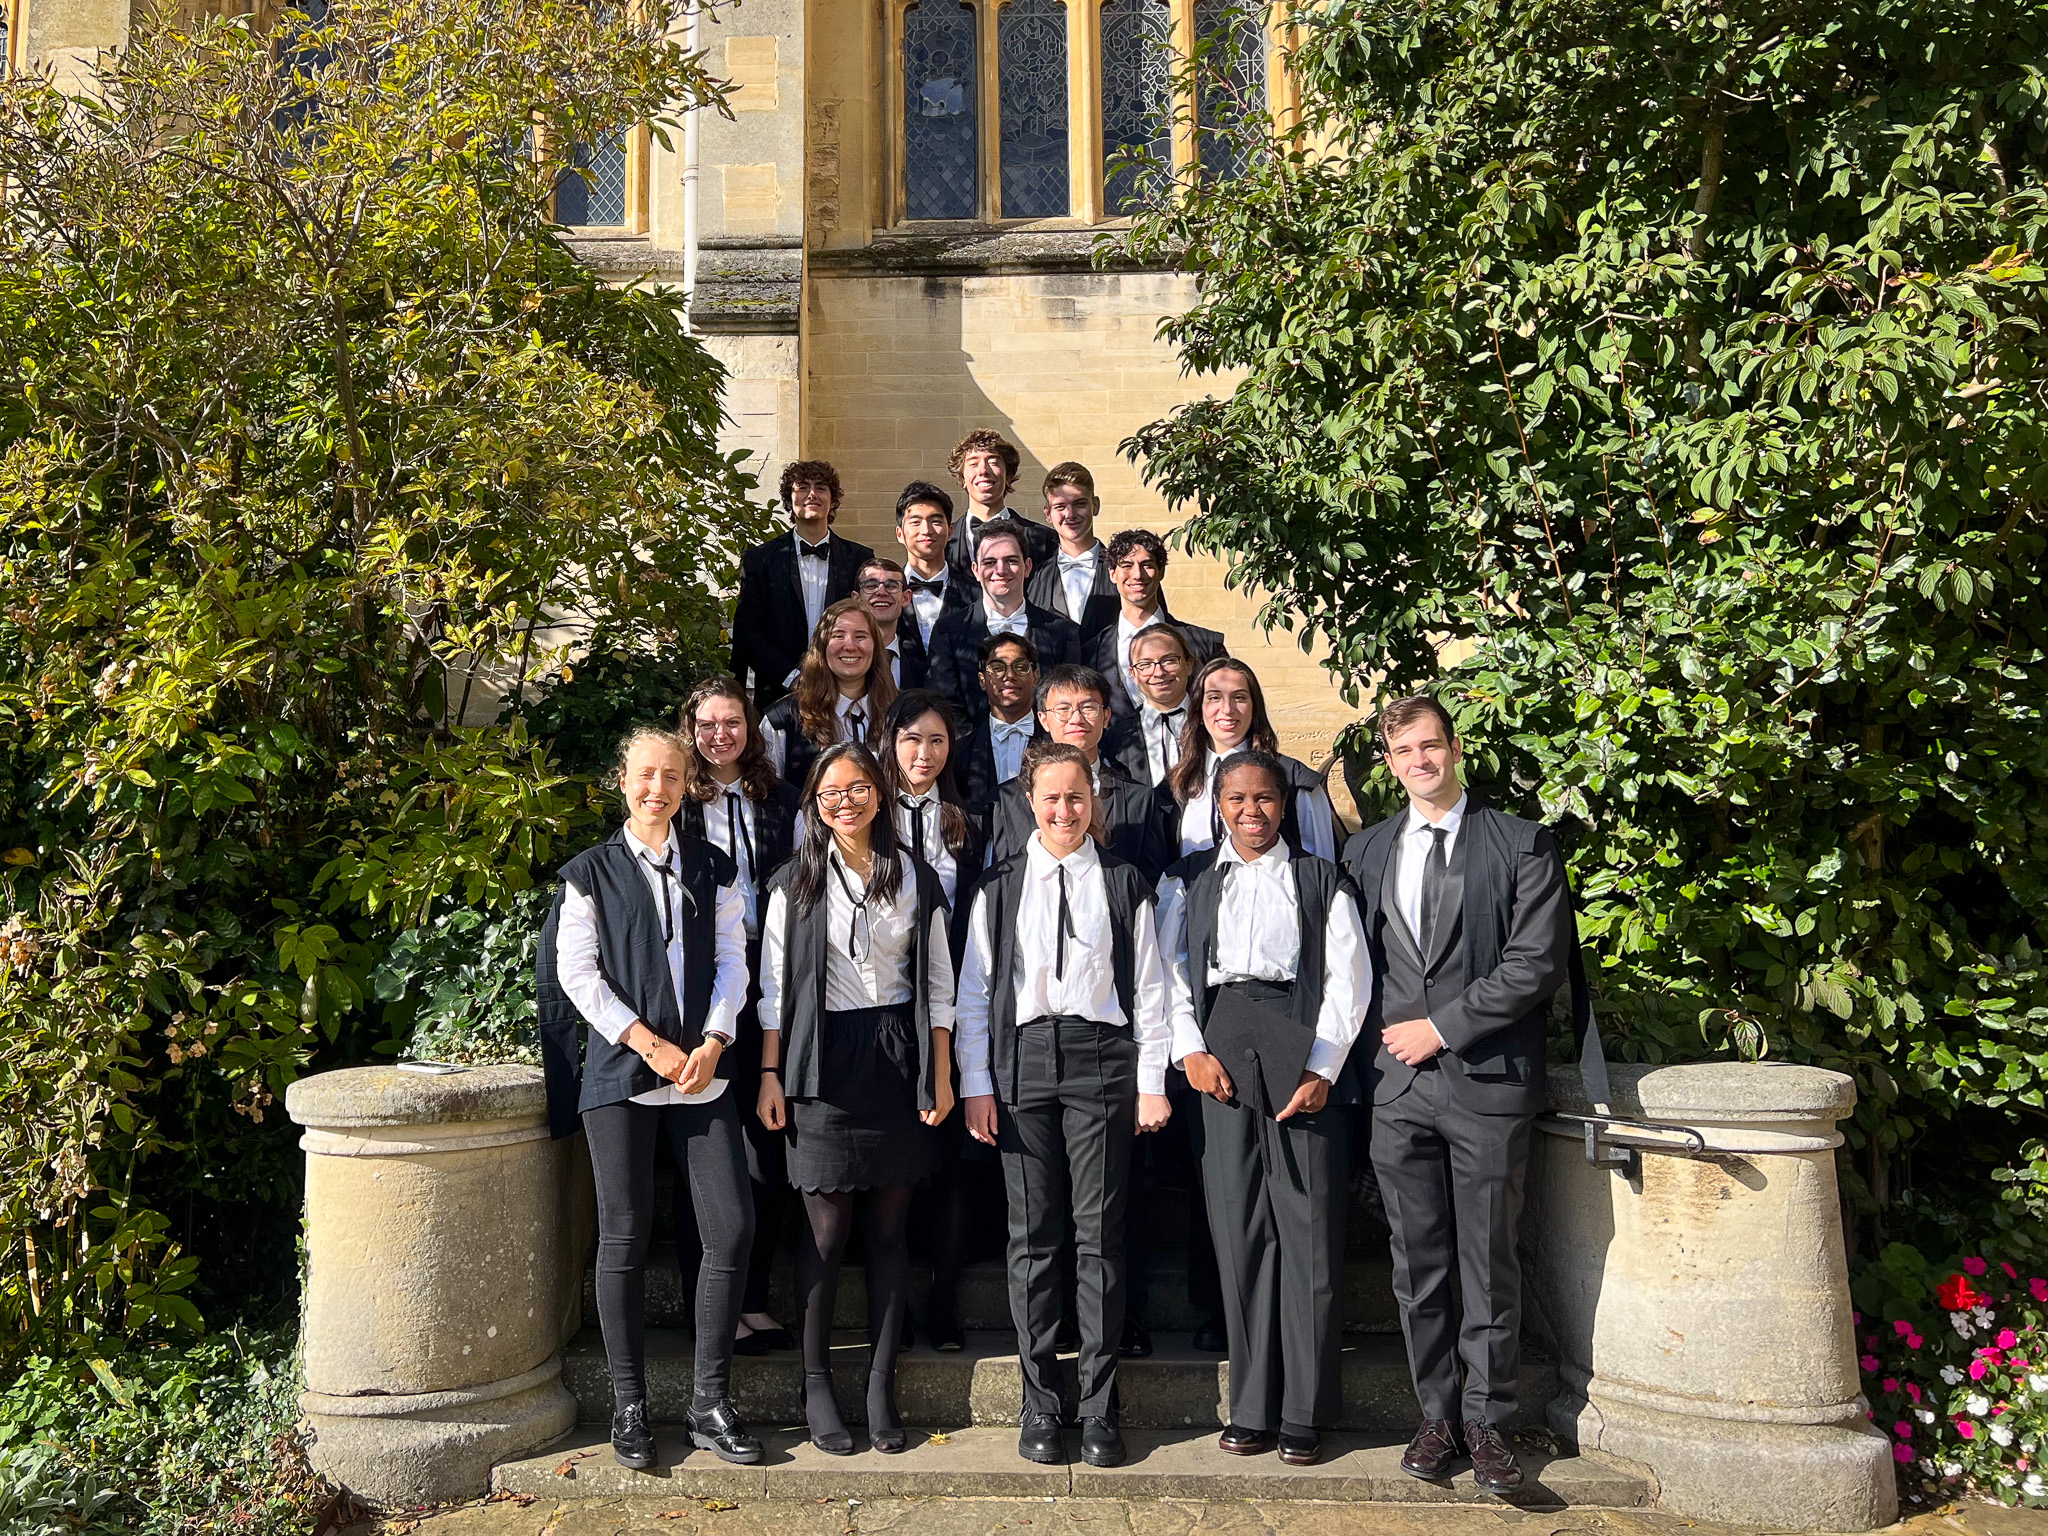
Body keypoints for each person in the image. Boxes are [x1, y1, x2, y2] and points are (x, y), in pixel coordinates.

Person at [1341, 695, 1598, 1496]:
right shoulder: (1366, 851)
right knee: (1416, 1265)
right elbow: (1352, 967)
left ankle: (1489, 1423)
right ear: (1389, 766)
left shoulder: (1522, 843)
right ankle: (1438, 1417)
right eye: (1403, 752)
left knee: (1488, 1260)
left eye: (1429, 746)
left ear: (1454, 748)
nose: (1419, 761)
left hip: (1487, 1084)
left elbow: (1535, 962)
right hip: (1397, 1091)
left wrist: (1441, 1028)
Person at [535, 727, 762, 1471]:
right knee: (625, 1235)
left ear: (687, 783)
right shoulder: (588, 873)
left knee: (730, 1230)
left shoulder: (713, 865)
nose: (656, 788)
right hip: (622, 1074)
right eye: (644, 774)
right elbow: (578, 974)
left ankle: (709, 1403)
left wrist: (715, 1039)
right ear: (622, 780)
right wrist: (646, 1043)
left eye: (670, 775)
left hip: (703, 1070)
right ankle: (628, 1405)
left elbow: (734, 960)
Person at [957, 741, 1175, 1469]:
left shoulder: (1122, 881)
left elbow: (1151, 988)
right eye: (1050, 797)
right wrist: (977, 1084)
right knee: (1032, 1238)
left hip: (1101, 1060)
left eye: (1076, 797)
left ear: (1094, 801)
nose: (1063, 810)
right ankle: (1041, 1403)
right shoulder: (1000, 885)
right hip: (1022, 1062)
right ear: (1029, 802)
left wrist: (1151, 1081)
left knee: (1099, 1235)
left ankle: (1099, 1404)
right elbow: (974, 992)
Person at [1158, 750, 1371, 1467]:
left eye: (1265, 799)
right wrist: (1190, 1052)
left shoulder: (1320, 879)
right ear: (1218, 806)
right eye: (1237, 799)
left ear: (1285, 804)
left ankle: (1305, 1410)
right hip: (1219, 1047)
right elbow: (1169, 970)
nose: (1252, 811)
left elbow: (1348, 980)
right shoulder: (1189, 880)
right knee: (1239, 1231)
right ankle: (1251, 1406)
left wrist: (1322, 1069)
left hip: (1298, 1043)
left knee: (1307, 1232)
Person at [757, 742, 958, 1456]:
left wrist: (941, 1073)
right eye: (830, 793)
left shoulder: (915, 876)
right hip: (821, 1060)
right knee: (825, 1230)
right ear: (815, 804)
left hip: (895, 1057)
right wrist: (771, 1073)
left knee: (889, 1231)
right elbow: (773, 989)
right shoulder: (793, 883)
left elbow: (939, 982)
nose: (846, 802)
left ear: (880, 793)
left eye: (858, 788)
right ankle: (816, 1384)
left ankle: (879, 1385)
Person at [672, 678, 803, 1360]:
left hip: (771, 977)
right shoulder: (677, 805)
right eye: (708, 724)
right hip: (702, 986)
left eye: (733, 723)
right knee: (705, 1142)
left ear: (752, 729)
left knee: (767, 1144)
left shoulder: (782, 799)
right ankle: (706, 1303)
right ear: (691, 731)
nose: (720, 735)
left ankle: (749, 1299)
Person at [875, 690, 993, 1352]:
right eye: (912, 739)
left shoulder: (966, 822)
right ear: (890, 743)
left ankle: (943, 1301)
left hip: (953, 998)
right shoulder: (865, 813)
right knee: (894, 1158)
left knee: (953, 1161)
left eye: (938, 740)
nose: (924, 753)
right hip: (884, 1004)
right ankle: (889, 1308)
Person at [985, 663, 1175, 882]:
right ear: (1043, 720)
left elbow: (1152, 884)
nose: (1076, 719)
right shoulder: (1007, 799)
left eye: (1088, 708)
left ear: (1106, 717)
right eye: (1063, 709)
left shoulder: (1140, 800)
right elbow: (1001, 878)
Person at [730, 461, 874, 710]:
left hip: (847, 693)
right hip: (778, 695)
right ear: (790, 499)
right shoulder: (760, 560)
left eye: (821, 488)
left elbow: (870, 626)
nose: (812, 494)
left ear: (832, 500)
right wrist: (791, 677)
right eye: (803, 487)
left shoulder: (859, 559)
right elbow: (747, 631)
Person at [1170, 657, 1340, 863]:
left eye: (1239, 697)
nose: (1227, 709)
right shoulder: (1180, 779)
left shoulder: (1294, 779)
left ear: (1254, 707)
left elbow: (1322, 867)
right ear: (1198, 708)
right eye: (1214, 697)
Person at [925, 525, 1080, 718]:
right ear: (976, 570)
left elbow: (1069, 701)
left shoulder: (1063, 632)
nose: (1000, 570)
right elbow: (944, 706)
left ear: (1027, 567)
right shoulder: (948, 631)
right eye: (989, 562)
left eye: (1011, 561)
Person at [760, 598, 897, 790]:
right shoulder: (782, 721)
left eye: (860, 636)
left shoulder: (900, 713)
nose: (850, 646)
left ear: (875, 647)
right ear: (821, 646)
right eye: (838, 636)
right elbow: (769, 795)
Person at [1091, 530, 1224, 719]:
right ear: (1112, 574)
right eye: (1127, 565)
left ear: (1161, 572)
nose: (1137, 574)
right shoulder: (1092, 651)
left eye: (1147, 565)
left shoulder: (1206, 644)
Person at [943, 428, 1058, 590]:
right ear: (962, 479)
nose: (983, 470)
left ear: (1008, 476)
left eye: (993, 462)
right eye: (974, 464)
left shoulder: (1046, 541)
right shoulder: (942, 542)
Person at [1025, 462, 1118, 641]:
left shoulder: (1126, 571)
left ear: (1095, 505)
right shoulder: (1033, 579)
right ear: (1047, 513)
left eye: (1079, 503)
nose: (1070, 514)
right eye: (1060, 506)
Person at [1101, 622, 1197, 788]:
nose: (1158, 672)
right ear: (1134, 675)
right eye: (1145, 665)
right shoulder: (1116, 739)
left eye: (1169, 660)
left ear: (1188, 664)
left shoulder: (1214, 723)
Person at [953, 633, 1040, 809]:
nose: (1009, 675)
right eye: (997, 668)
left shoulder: (1057, 741)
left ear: (1035, 677)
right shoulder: (960, 753)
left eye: (1021, 667)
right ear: (982, 680)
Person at [896, 480, 971, 648]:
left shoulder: (976, 593)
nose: (926, 531)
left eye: (935, 521)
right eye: (916, 522)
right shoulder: (887, 593)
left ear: (950, 532)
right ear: (900, 534)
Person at [859, 557, 927, 690]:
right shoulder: (842, 659)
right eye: (871, 586)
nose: (881, 592)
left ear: (906, 598)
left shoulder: (922, 669)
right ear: (857, 599)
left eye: (891, 586)